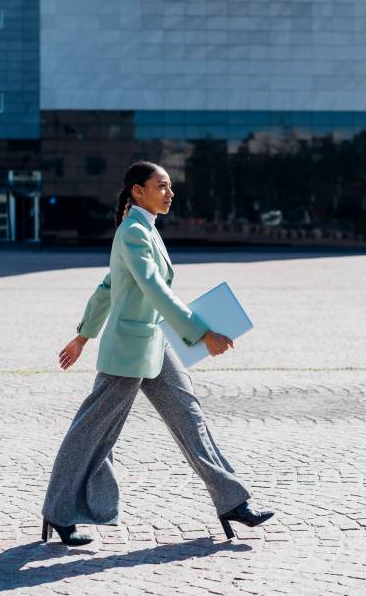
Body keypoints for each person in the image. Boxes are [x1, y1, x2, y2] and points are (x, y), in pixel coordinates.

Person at [40, 161, 274, 545]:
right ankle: (58, 512)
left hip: (155, 344)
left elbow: (106, 288)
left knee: (191, 419)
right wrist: (201, 334)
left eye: (169, 187)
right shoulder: (133, 232)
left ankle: (232, 501)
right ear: (137, 191)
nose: (170, 193)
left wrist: (82, 337)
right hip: (129, 350)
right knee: (92, 433)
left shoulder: (144, 230)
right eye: (161, 186)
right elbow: (153, 289)